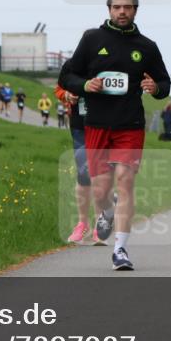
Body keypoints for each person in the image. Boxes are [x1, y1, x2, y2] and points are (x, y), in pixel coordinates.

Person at [62, 0, 171, 271]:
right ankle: (106, 212)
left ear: (135, 10)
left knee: (125, 182)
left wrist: (155, 87)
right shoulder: (92, 38)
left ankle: (120, 249)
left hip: (130, 124)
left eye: (128, 7)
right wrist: (85, 85)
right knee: (100, 189)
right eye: (117, 7)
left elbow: (164, 83)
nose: (122, 11)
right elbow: (67, 75)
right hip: (96, 123)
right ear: (109, 10)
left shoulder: (147, 47)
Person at [56, 63, 106, 245]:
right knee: (84, 173)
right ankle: (82, 223)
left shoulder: (108, 64)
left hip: (103, 126)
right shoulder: (74, 64)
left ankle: (100, 226)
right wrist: (67, 95)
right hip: (80, 127)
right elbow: (59, 89)